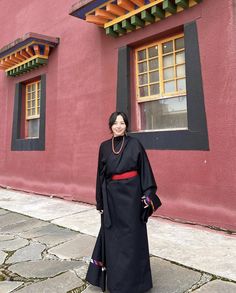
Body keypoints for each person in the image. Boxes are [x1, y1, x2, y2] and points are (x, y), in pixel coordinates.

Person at [86, 111, 161, 293]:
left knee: (133, 239)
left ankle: (137, 283)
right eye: (115, 123)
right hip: (111, 199)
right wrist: (100, 202)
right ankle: (117, 284)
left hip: (133, 198)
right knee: (114, 240)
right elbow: (100, 175)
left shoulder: (135, 144)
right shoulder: (104, 147)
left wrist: (147, 194)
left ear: (126, 125)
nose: (119, 126)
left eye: (122, 123)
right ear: (110, 126)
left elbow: (145, 171)